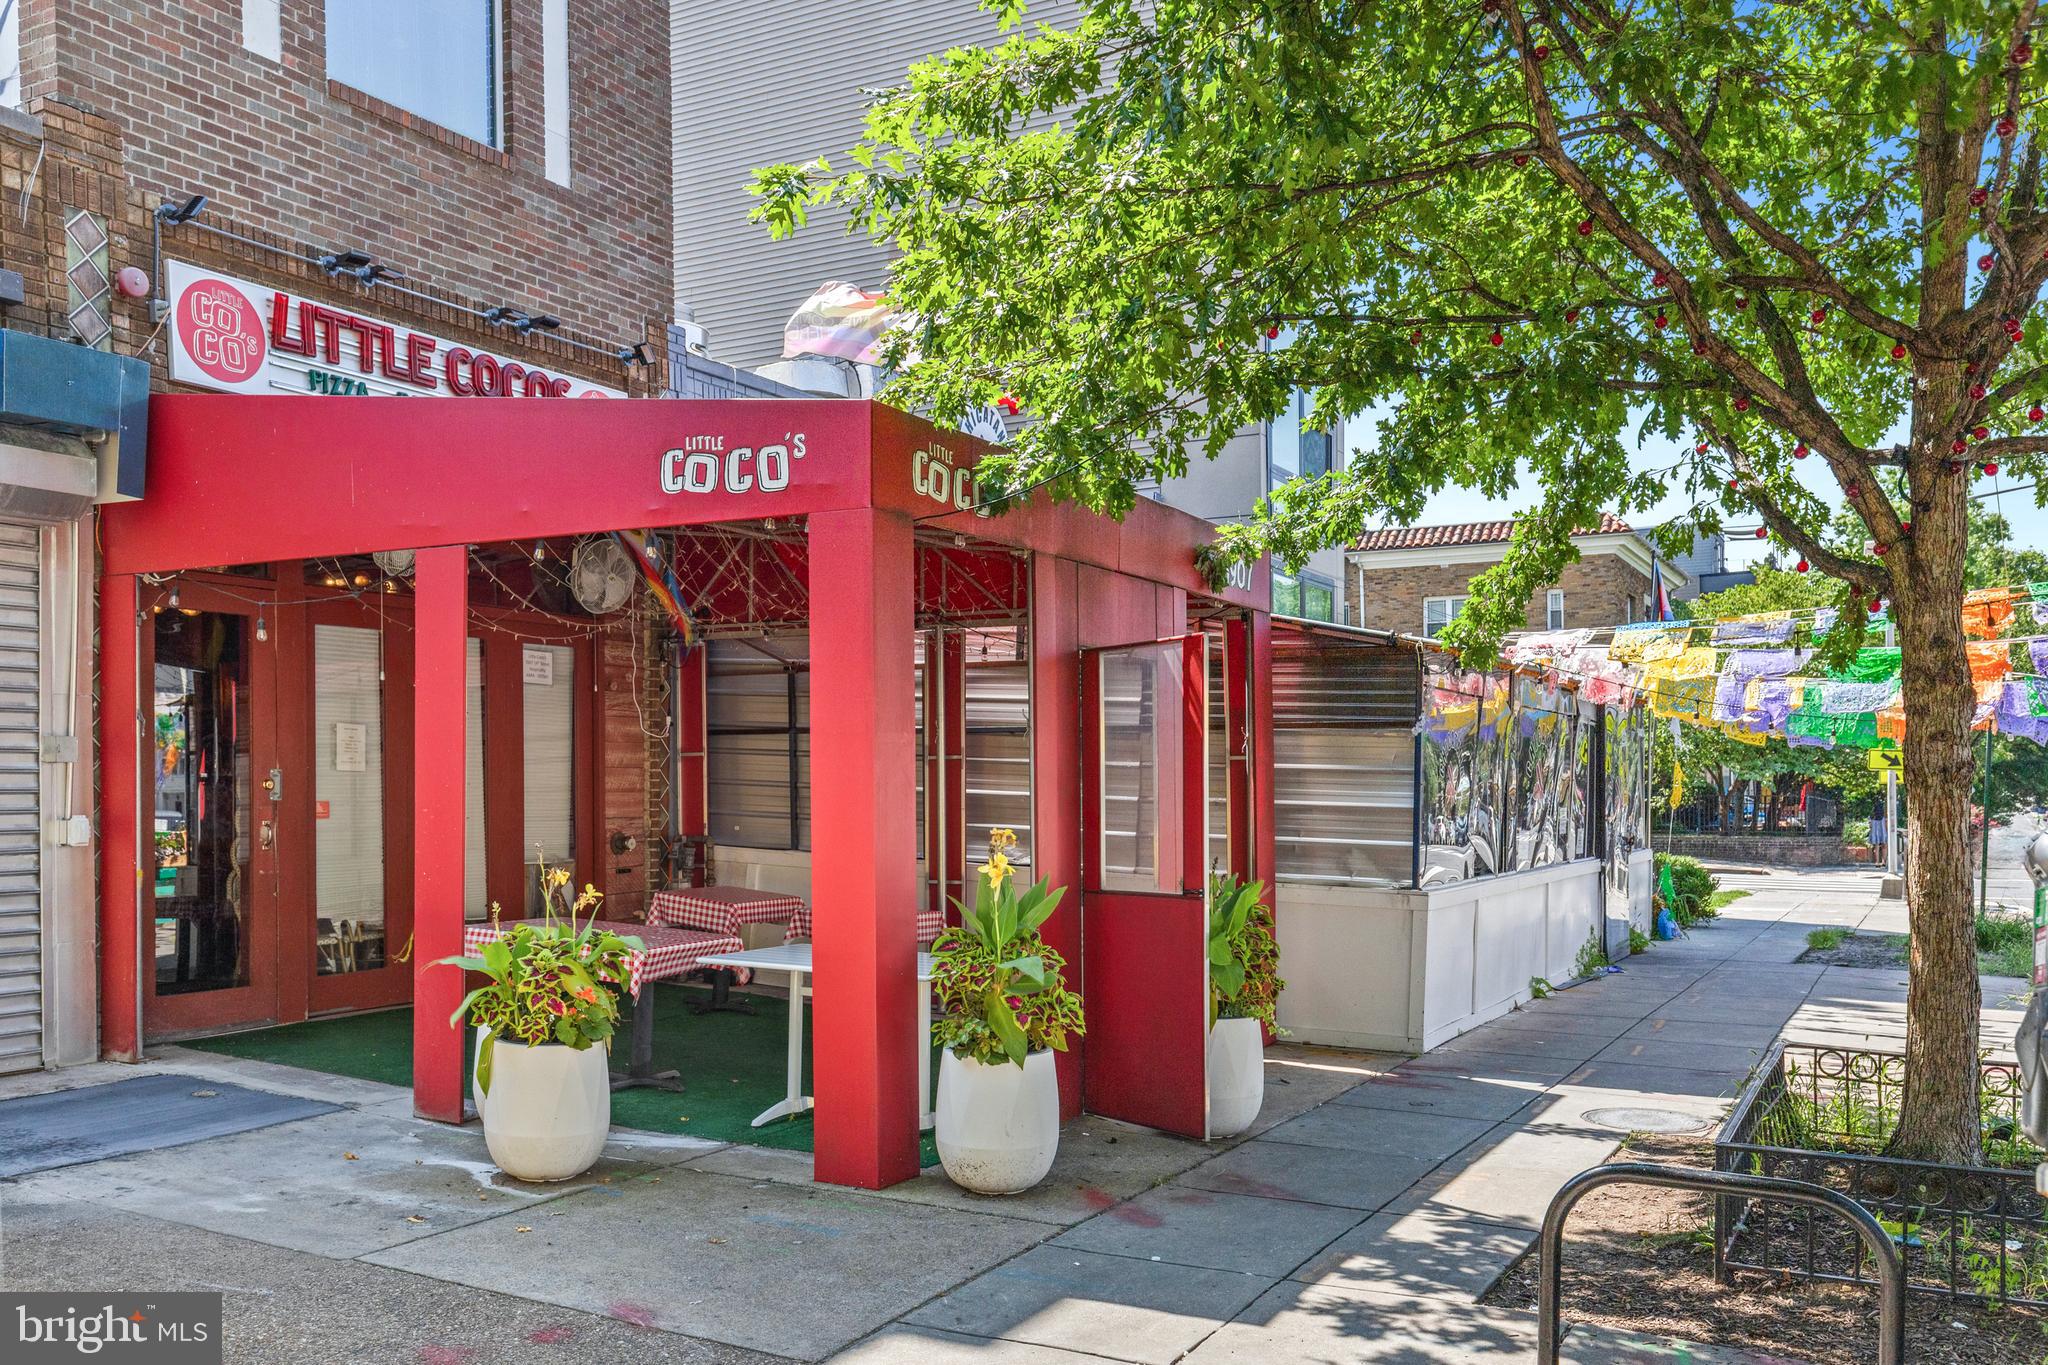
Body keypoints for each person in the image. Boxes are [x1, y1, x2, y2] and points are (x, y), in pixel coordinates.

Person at [1869, 802, 1888, 868]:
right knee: (1884, 846)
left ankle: (1877, 862)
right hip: (1883, 833)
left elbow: (1870, 826)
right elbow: (1886, 826)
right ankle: (1883, 862)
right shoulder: (1884, 816)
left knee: (1876, 847)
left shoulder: (1871, 817)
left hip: (1875, 833)